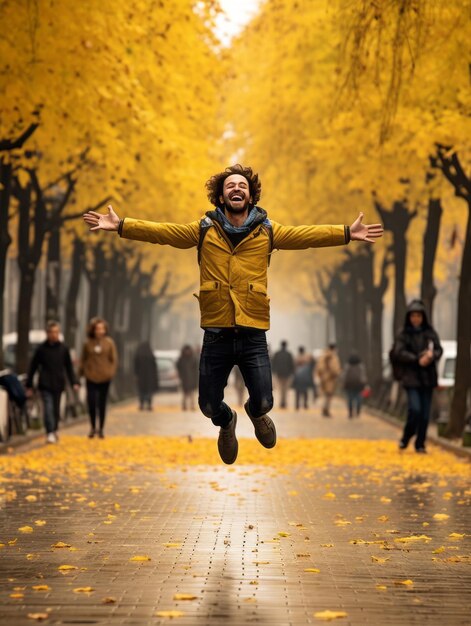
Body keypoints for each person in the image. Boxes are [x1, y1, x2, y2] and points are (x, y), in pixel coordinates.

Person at [83, 164, 383, 464]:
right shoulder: (203, 230)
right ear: (221, 196)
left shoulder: (267, 231)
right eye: (230, 186)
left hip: (253, 332)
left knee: (265, 399)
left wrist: (346, 233)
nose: (236, 188)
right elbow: (163, 232)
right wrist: (122, 225)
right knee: (209, 405)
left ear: (251, 195)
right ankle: (227, 423)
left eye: (242, 185)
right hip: (216, 334)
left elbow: (305, 236)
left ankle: (255, 414)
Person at [392, 299, 442, 453]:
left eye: (418, 316)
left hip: (427, 377)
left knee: (425, 414)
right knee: (415, 409)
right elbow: (398, 352)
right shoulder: (403, 334)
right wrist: (416, 358)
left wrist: (431, 355)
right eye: (413, 316)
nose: (416, 319)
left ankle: (420, 443)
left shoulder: (430, 333)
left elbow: (439, 349)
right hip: (411, 377)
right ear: (409, 317)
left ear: (423, 317)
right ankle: (407, 436)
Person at [25, 321, 79, 444]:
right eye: (51, 332)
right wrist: (29, 384)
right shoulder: (41, 349)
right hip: (45, 384)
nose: (54, 335)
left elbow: (69, 367)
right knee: (48, 409)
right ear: (47, 333)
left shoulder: (64, 349)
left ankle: (54, 430)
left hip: (59, 383)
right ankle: (49, 432)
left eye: (56, 332)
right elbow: (33, 367)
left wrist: (74, 382)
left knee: (55, 409)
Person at [80, 317, 118, 439]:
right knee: (91, 402)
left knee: (102, 403)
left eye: (102, 328)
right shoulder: (87, 343)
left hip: (105, 377)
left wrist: (110, 373)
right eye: (97, 329)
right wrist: (82, 372)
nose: (100, 331)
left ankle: (101, 428)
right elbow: (83, 359)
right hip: (91, 376)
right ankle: (92, 427)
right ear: (93, 330)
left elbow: (114, 360)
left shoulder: (109, 343)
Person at [317, 343, 341, 417]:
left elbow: (319, 368)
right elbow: (335, 369)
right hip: (330, 379)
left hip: (323, 378)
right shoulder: (333, 357)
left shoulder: (322, 356)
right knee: (329, 395)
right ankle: (326, 409)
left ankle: (325, 409)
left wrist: (321, 376)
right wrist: (337, 373)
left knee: (325, 395)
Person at [134, 341, 159, 411]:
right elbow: (154, 367)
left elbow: (136, 366)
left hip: (141, 377)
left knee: (141, 391)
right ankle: (149, 405)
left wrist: (136, 375)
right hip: (149, 377)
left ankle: (141, 405)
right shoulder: (151, 355)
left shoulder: (138, 355)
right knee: (149, 391)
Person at [271, 340, 295, 409]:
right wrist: (292, 373)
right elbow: (292, 364)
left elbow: (273, 363)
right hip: (287, 375)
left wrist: (274, 372)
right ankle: (284, 403)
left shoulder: (277, 354)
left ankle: (281, 402)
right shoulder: (289, 354)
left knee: (281, 389)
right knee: (285, 390)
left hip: (279, 374)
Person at [343, 352, 367, 418]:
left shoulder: (347, 366)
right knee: (359, 398)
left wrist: (344, 383)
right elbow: (363, 376)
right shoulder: (361, 366)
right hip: (358, 385)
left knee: (350, 399)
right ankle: (358, 411)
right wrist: (364, 383)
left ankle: (350, 412)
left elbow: (345, 376)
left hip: (349, 385)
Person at [176, 344, 198, 411]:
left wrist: (196, 379)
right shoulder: (181, 359)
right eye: (186, 350)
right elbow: (178, 367)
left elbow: (196, 369)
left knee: (192, 394)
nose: (187, 352)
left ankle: (192, 406)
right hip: (184, 379)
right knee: (185, 394)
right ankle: (184, 406)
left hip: (192, 379)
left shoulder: (193, 358)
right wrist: (181, 376)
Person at [293, 346, 314, 410]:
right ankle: (305, 404)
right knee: (305, 391)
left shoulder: (296, 358)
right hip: (305, 377)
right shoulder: (306, 358)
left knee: (298, 392)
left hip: (298, 377)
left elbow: (294, 367)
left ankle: (297, 405)